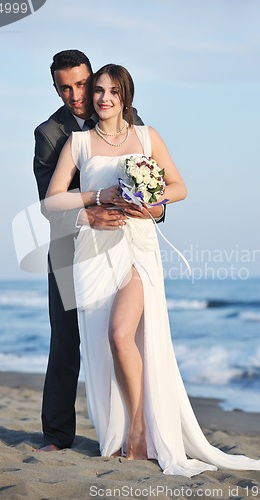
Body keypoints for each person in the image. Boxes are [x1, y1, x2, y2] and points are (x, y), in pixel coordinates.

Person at [45, 63, 260, 476]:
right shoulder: (78, 143)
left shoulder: (147, 136)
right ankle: (121, 429)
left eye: (112, 91)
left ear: (126, 96)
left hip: (138, 251)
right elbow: (51, 201)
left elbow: (179, 187)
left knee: (120, 334)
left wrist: (152, 200)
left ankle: (140, 430)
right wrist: (96, 196)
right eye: (99, 92)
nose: (103, 98)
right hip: (94, 254)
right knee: (101, 345)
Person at [33, 50, 164, 452]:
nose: (76, 95)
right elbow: (47, 200)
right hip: (71, 247)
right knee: (66, 337)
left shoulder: (128, 116)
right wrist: (87, 216)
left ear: (94, 80)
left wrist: (154, 211)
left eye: (81, 84)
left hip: (126, 244)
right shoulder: (50, 134)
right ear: (55, 89)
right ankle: (57, 436)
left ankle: (139, 428)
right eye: (65, 88)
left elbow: (150, 180)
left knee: (129, 335)